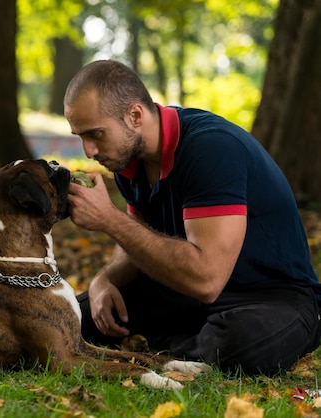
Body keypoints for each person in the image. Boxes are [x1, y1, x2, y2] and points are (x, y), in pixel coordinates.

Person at [64, 60, 321, 375]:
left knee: (238, 346)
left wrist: (109, 220)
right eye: (80, 136)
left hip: (271, 296)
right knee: (77, 316)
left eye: (96, 134)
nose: (89, 150)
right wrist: (105, 280)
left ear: (134, 115)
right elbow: (139, 238)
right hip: (189, 295)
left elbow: (206, 279)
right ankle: (187, 346)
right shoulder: (127, 159)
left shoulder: (210, 148)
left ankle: (178, 346)